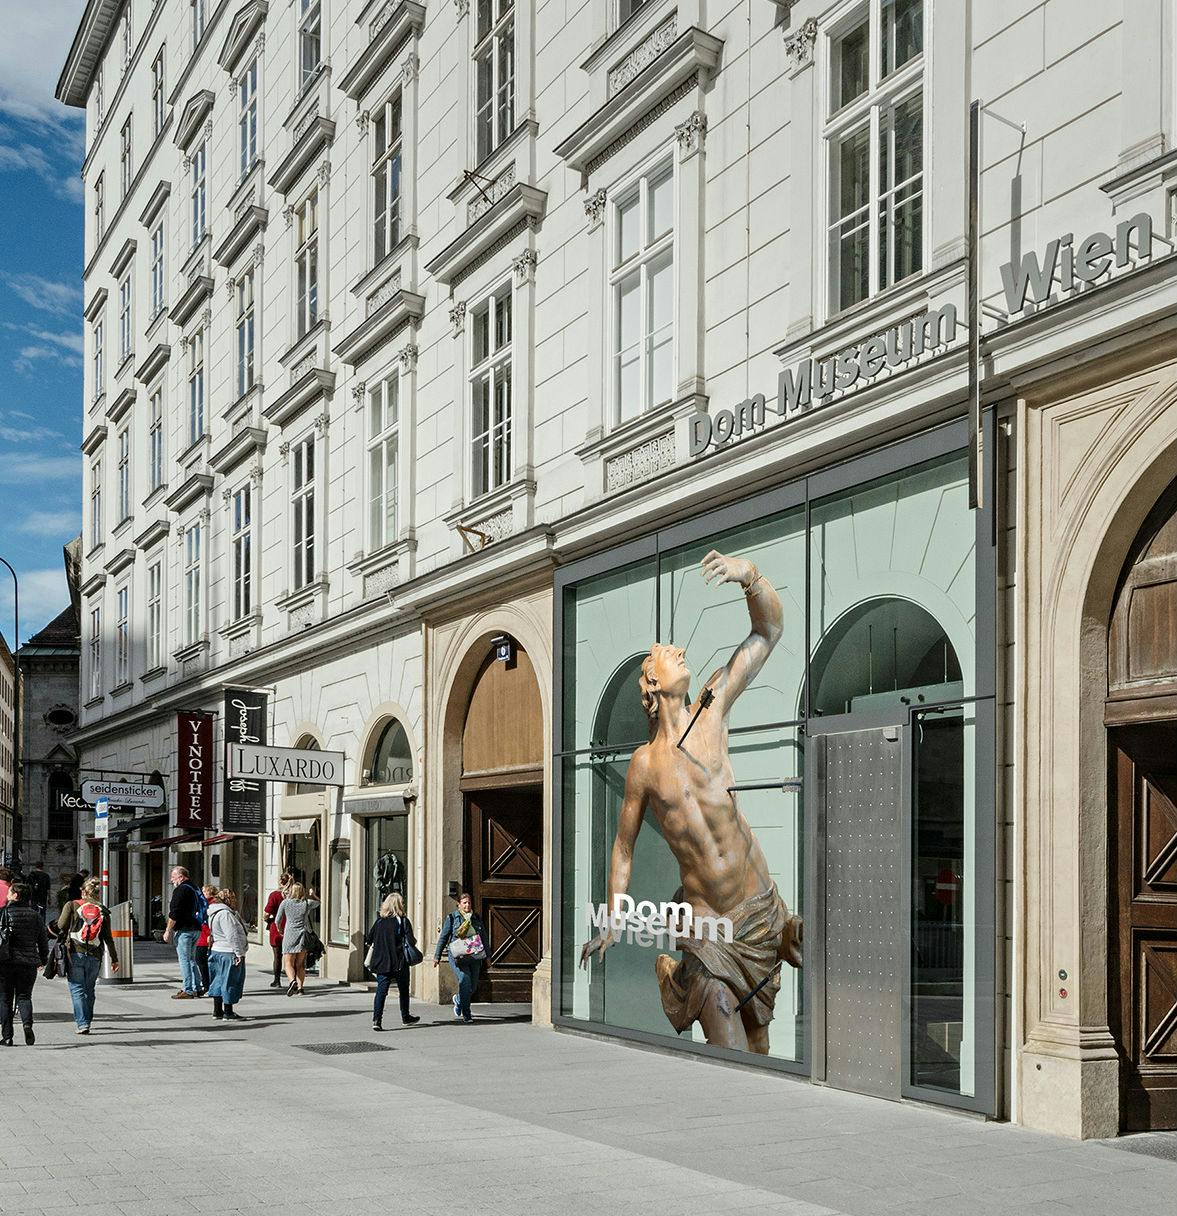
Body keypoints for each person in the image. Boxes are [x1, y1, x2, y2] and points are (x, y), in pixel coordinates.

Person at [579, 550, 803, 1055]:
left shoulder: (713, 707)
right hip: (708, 926)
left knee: (760, 1047)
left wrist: (750, 577)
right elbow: (623, 847)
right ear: (653, 683)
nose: (679, 650)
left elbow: (766, 633)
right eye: (667, 653)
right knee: (731, 1051)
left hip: (759, 910)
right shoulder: (644, 764)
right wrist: (614, 917)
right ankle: (684, 979)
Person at [56, 877, 119, 1035]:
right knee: (89, 989)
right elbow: (108, 938)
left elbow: (61, 926)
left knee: (77, 988)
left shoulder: (71, 905)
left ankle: (82, 1023)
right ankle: (87, 1020)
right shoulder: (103, 910)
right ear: (97, 893)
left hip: (75, 952)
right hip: (95, 954)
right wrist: (114, 958)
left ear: (83, 891)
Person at [0, 882, 49, 1046]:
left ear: (16, 895)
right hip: (28, 963)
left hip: (5, 962)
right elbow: (43, 940)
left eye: (10, 892)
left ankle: (7, 1036)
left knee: (5, 999)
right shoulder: (35, 915)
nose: (7, 895)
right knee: (24, 996)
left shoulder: (3, 913)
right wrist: (42, 959)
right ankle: (27, 1025)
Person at [364, 892, 420, 1030]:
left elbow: (368, 940)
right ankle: (405, 1016)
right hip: (399, 961)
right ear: (399, 905)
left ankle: (377, 1020)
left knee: (381, 991)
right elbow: (411, 941)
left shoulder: (379, 922)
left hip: (382, 961)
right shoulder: (403, 921)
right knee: (403, 989)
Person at [433, 892, 486, 1024]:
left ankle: (458, 999)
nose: (467, 905)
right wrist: (437, 956)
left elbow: (484, 937)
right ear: (459, 905)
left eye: (469, 903)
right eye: (464, 903)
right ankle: (466, 1014)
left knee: (472, 987)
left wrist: (488, 955)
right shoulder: (452, 918)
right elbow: (444, 938)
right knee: (464, 979)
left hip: (474, 956)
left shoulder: (476, 918)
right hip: (458, 956)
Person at [162, 866, 205, 999]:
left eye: (173, 877)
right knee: (191, 959)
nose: (171, 880)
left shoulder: (180, 890)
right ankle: (198, 987)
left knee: (184, 960)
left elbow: (174, 912)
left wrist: (168, 931)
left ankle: (188, 990)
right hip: (196, 928)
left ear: (181, 877)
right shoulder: (195, 887)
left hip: (184, 930)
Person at [206, 888, 248, 1021]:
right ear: (228, 899)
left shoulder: (214, 912)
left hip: (217, 949)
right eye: (233, 898)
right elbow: (232, 935)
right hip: (228, 951)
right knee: (230, 981)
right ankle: (228, 1012)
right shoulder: (225, 914)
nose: (235, 900)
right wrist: (239, 953)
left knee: (217, 981)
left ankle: (217, 1011)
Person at [275, 882, 319, 996]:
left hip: (289, 934)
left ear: (291, 891)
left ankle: (292, 981)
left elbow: (277, 920)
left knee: (288, 963)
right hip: (302, 935)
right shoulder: (306, 903)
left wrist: (280, 929)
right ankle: (300, 988)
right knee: (300, 964)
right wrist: (313, 894)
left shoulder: (285, 903)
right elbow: (319, 902)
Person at [262, 873, 291, 988]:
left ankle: (277, 980)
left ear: (280, 882)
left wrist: (266, 919)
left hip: (277, 927)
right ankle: (292, 980)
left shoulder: (275, 895)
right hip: (290, 927)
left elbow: (266, 913)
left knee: (277, 956)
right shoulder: (294, 895)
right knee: (291, 957)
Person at [194, 884, 218, 996]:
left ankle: (207, 985)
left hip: (206, 937)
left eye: (204, 891)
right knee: (201, 961)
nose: (202, 894)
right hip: (201, 936)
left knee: (202, 961)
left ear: (210, 893)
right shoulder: (204, 904)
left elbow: (211, 922)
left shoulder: (212, 904)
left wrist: (210, 934)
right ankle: (207, 984)